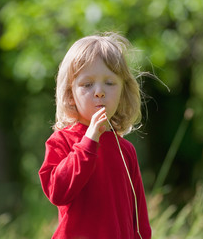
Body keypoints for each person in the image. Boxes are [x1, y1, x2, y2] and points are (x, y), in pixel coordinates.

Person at [39, 32, 152, 239]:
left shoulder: (126, 150)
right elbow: (57, 192)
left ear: (123, 92)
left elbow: (140, 221)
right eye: (87, 84)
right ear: (69, 94)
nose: (99, 92)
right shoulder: (62, 141)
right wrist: (88, 142)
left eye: (110, 83)